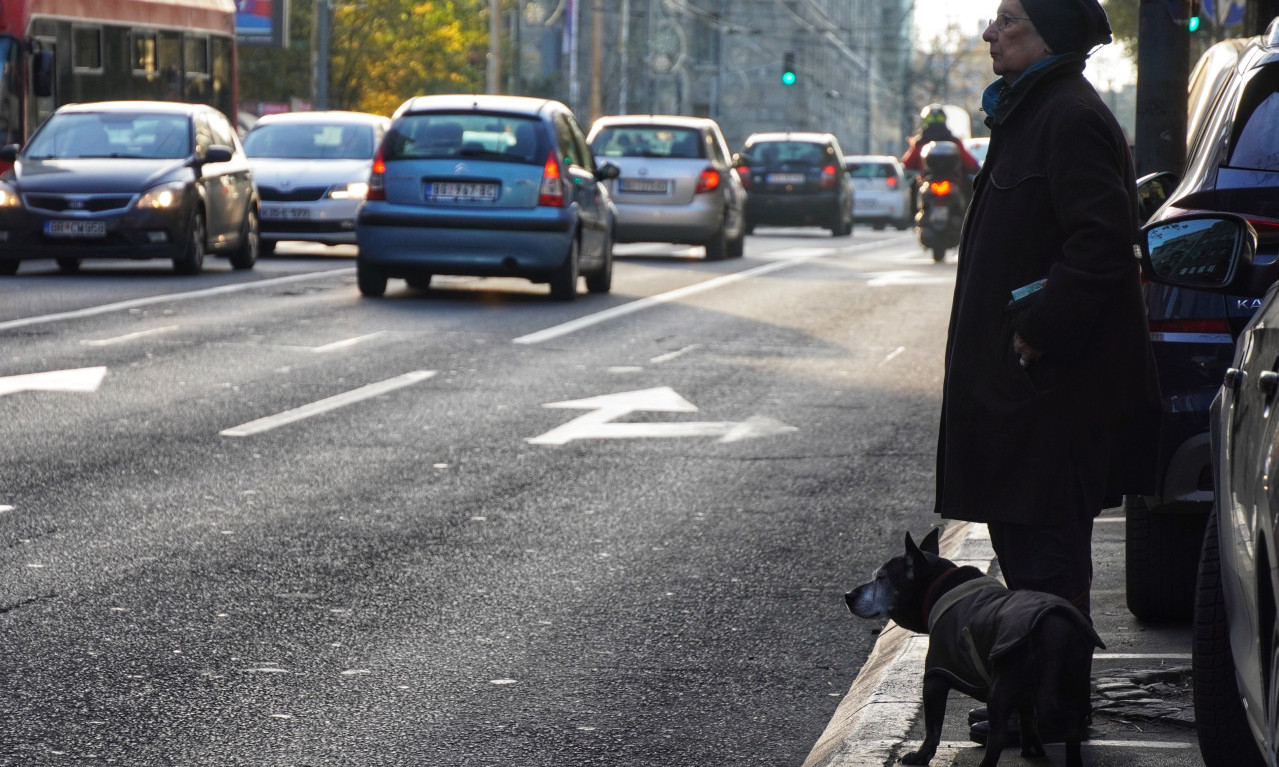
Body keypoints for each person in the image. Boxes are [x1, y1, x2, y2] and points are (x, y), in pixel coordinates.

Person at [935, 0, 1161, 741]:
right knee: (1029, 562)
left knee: (1050, 571)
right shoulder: (1033, 109)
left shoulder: (1066, 116)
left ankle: (1054, 713)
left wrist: (1035, 333)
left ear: (1049, 37)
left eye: (1008, 20)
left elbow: (1101, 244)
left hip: (1047, 398)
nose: (988, 32)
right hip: (1022, 398)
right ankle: (1031, 705)